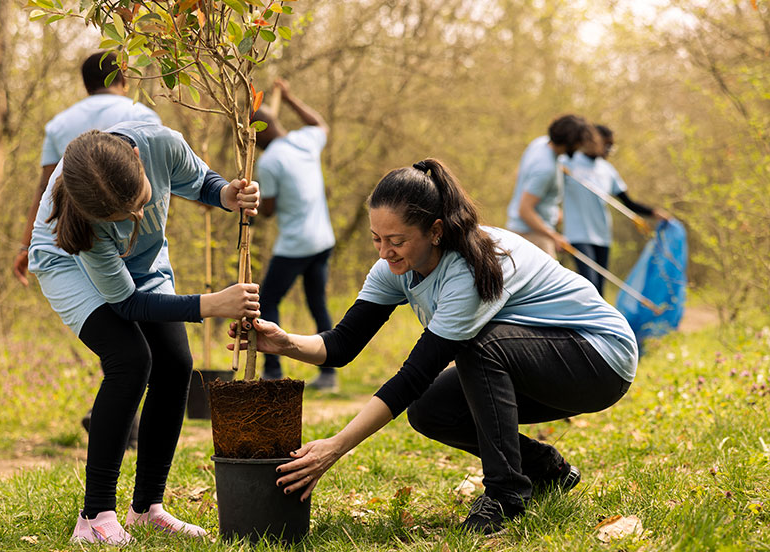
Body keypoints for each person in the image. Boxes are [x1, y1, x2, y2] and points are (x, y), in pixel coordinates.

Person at [232, 158, 637, 535]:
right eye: (376, 239)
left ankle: (506, 494)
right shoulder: (394, 268)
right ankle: (545, 469)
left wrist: (334, 448)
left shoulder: (472, 267)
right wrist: (284, 343)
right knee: (429, 409)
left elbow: (414, 373)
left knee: (477, 348)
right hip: (544, 365)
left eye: (397, 240)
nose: (385, 251)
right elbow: (342, 345)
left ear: (436, 231)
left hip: (599, 360)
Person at [28, 122, 260, 544]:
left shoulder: (160, 143)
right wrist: (211, 304)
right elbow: (128, 305)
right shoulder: (81, 216)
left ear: (138, 160)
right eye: (124, 216)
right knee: (130, 361)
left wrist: (228, 194)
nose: (137, 217)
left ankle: (146, 509)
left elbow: (202, 181)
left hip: (143, 262)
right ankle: (95, 518)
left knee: (176, 365)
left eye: (136, 204)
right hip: (66, 263)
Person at [13, 51, 160, 447]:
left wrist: (27, 244)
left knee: (116, 337)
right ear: (123, 78)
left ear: (85, 84)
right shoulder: (139, 113)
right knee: (133, 335)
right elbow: (156, 183)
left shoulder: (60, 123)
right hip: (129, 236)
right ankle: (119, 423)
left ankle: (113, 420)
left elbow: (48, 189)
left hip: (68, 242)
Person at [251, 78, 338, 391]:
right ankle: (329, 373)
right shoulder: (305, 141)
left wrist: (249, 200)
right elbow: (320, 124)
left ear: (258, 134)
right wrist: (289, 97)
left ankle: (272, 370)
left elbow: (269, 210)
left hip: (295, 246)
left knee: (267, 300)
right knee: (318, 302)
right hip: (322, 240)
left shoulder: (269, 162)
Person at [561, 124, 671, 295]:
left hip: (602, 235)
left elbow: (628, 202)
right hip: (578, 234)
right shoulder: (567, 162)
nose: (609, 150)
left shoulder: (607, 170)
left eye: (611, 146)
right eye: (607, 144)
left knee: (600, 290)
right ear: (593, 141)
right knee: (590, 285)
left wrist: (653, 212)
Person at [505, 115, 594, 258]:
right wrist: (554, 236)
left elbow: (522, 177)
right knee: (551, 281)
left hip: (521, 231)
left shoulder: (539, 143)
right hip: (534, 238)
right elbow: (525, 210)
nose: (580, 148)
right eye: (579, 143)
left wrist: (551, 210)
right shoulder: (546, 169)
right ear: (570, 143)